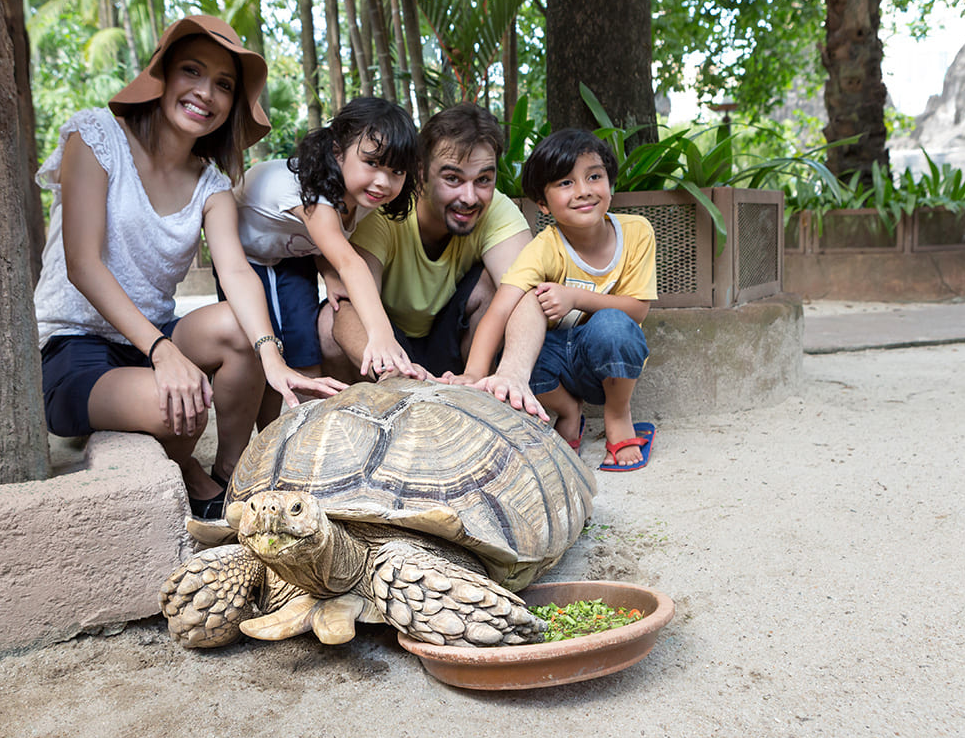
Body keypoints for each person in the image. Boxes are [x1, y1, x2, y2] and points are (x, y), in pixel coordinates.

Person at [33, 15, 343, 517]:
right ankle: (186, 469)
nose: (206, 93)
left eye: (223, 85)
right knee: (181, 407)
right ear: (163, 74)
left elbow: (238, 273)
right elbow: (82, 265)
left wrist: (273, 360)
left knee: (239, 329)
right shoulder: (94, 138)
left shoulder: (212, 185)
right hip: (74, 344)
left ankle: (230, 476)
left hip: (156, 336)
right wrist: (160, 351)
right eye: (192, 72)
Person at [457, 128, 658, 471]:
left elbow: (638, 308)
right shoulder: (544, 247)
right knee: (514, 353)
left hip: (604, 364)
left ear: (610, 183)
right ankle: (567, 411)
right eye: (565, 183)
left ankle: (618, 415)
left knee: (614, 326)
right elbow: (500, 308)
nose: (583, 191)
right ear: (542, 203)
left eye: (594, 176)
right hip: (553, 363)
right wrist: (474, 373)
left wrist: (574, 297)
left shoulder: (637, 232)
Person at [214, 97, 421, 424]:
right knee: (265, 352)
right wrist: (382, 336)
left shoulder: (364, 193)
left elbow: (325, 241)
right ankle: (252, 449)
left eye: (396, 170)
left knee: (305, 351)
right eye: (372, 163)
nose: (383, 181)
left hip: (292, 257)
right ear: (337, 152)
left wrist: (328, 270)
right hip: (247, 257)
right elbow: (349, 261)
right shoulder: (311, 187)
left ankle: (301, 434)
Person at [318, 103, 532, 379]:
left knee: (507, 288)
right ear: (420, 173)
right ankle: (356, 408)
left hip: (457, 349)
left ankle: (480, 390)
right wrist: (394, 372)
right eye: (452, 178)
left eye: (483, 180)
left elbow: (529, 296)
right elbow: (348, 307)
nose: (469, 197)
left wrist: (512, 373)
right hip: (388, 345)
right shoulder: (385, 207)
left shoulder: (497, 210)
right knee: (330, 319)